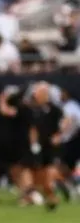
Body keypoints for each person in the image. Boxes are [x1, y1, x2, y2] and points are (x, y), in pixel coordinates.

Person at [28, 82, 64, 210]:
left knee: (49, 173)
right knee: (41, 176)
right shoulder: (33, 110)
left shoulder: (54, 109)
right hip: (40, 147)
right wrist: (34, 144)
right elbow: (33, 129)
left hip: (52, 147)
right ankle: (51, 196)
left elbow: (62, 125)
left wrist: (58, 136)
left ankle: (54, 193)